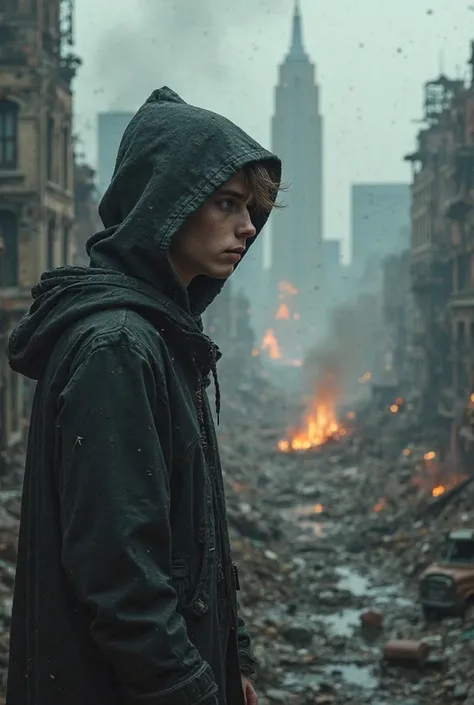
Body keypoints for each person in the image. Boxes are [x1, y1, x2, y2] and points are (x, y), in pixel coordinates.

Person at [6, 87, 282, 705]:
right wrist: (193, 690)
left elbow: (194, 539)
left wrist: (231, 658)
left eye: (249, 208)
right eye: (226, 203)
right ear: (167, 204)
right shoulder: (119, 348)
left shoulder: (161, 335)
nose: (246, 227)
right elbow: (121, 575)